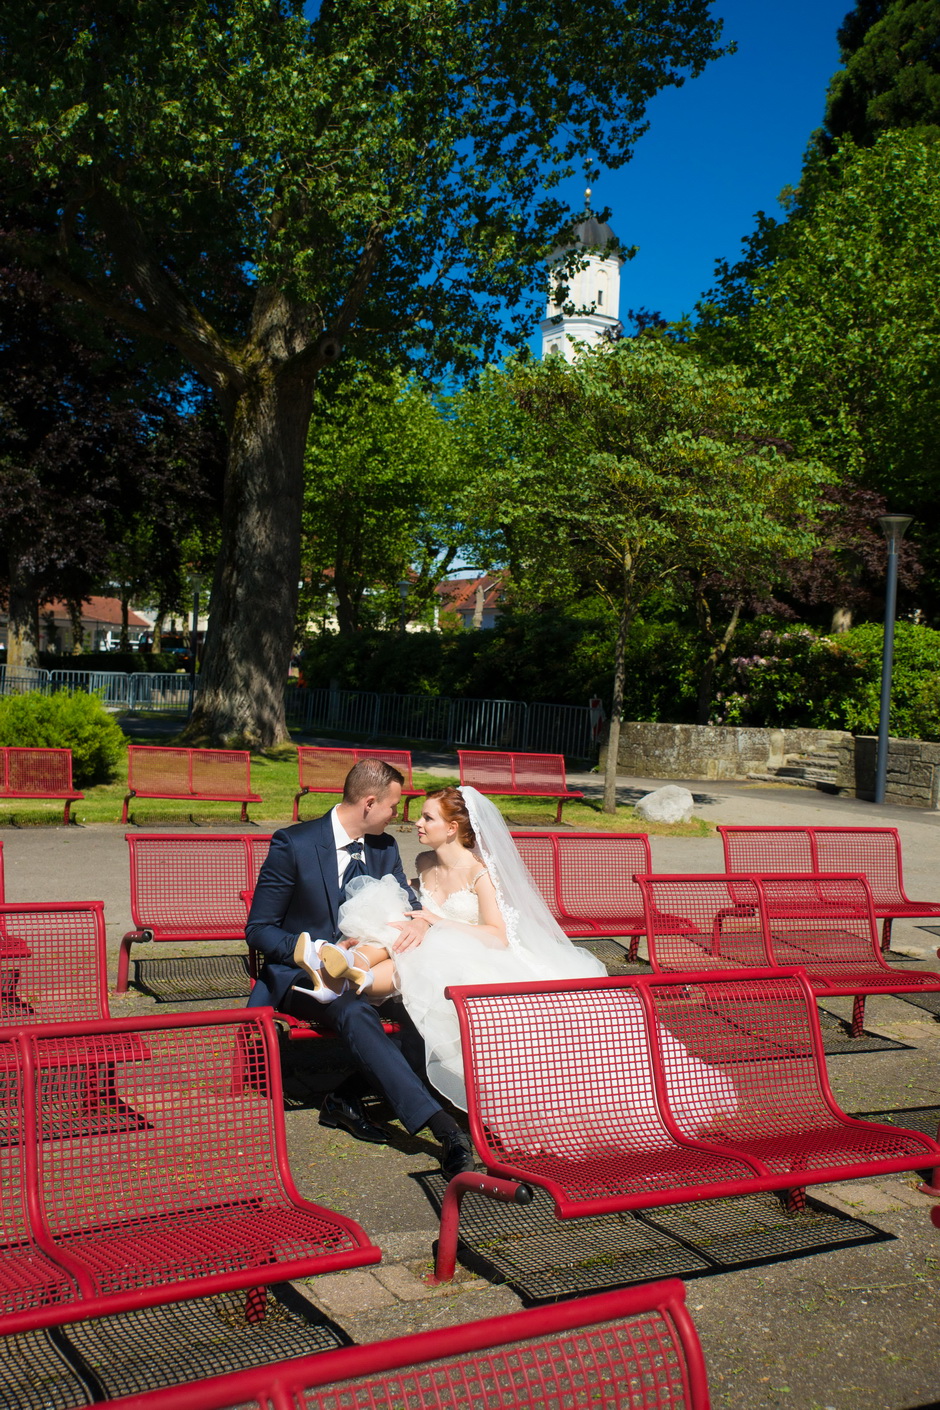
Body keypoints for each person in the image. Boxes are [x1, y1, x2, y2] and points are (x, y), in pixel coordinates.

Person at [298, 785, 609, 1109]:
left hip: (483, 954)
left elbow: (498, 936)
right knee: (399, 922)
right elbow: (413, 914)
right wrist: (416, 921)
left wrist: (437, 922)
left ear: (451, 828)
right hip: (429, 948)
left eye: (428, 818)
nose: (417, 823)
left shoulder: (480, 872)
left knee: (425, 951)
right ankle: (349, 966)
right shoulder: (423, 862)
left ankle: (345, 973)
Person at [245, 759, 474, 1178]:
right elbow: (259, 929)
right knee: (353, 1011)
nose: (397, 815)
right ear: (369, 803)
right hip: (304, 976)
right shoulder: (293, 844)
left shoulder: (382, 848)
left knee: (424, 1008)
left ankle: (344, 1098)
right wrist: (311, 950)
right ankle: (444, 1131)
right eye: (392, 806)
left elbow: (406, 904)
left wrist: (421, 920)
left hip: (371, 969)